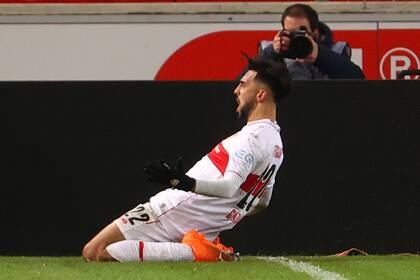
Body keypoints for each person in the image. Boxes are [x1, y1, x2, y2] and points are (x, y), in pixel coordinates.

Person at [82, 57, 291, 262]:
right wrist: (219, 217)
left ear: (261, 94)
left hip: (169, 213)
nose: (236, 90)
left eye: (243, 84)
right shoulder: (275, 144)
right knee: (98, 251)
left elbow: (229, 187)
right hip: (197, 225)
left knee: (95, 251)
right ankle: (198, 247)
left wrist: (182, 182)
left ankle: (196, 251)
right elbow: (262, 202)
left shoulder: (251, 138)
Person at [258, 3, 365, 80]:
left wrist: (319, 55)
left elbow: (358, 80)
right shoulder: (275, 50)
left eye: (301, 32)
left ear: (315, 32)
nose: (295, 37)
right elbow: (245, 83)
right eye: (290, 32)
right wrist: (272, 52)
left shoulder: (336, 49)